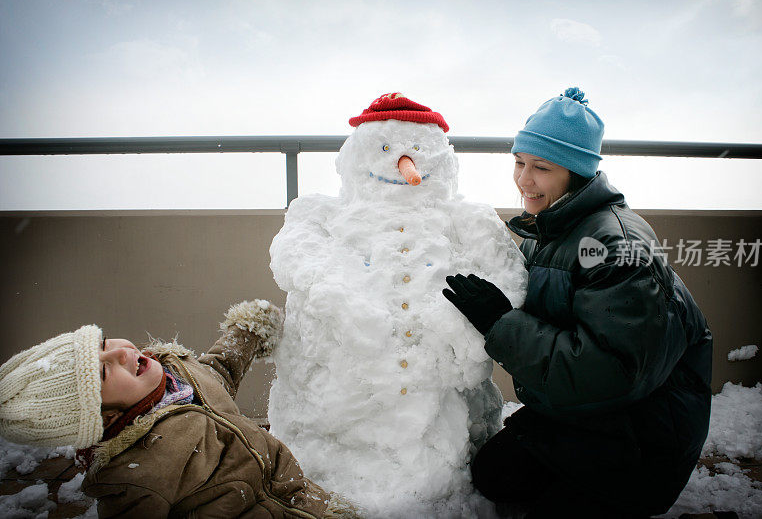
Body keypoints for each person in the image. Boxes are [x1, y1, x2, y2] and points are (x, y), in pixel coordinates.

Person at [443, 88, 713, 518]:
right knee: (494, 475)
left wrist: (500, 322)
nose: (523, 179)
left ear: (576, 172)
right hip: (590, 415)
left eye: (541, 168)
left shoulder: (613, 245)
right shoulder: (553, 229)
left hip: (642, 434)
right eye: (519, 162)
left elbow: (613, 372)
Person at [0, 300, 357, 518]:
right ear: (101, 417)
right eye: (104, 371)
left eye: (105, 343)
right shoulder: (134, 473)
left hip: (298, 494)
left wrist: (246, 331)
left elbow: (218, 372)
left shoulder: (174, 376)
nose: (123, 352)